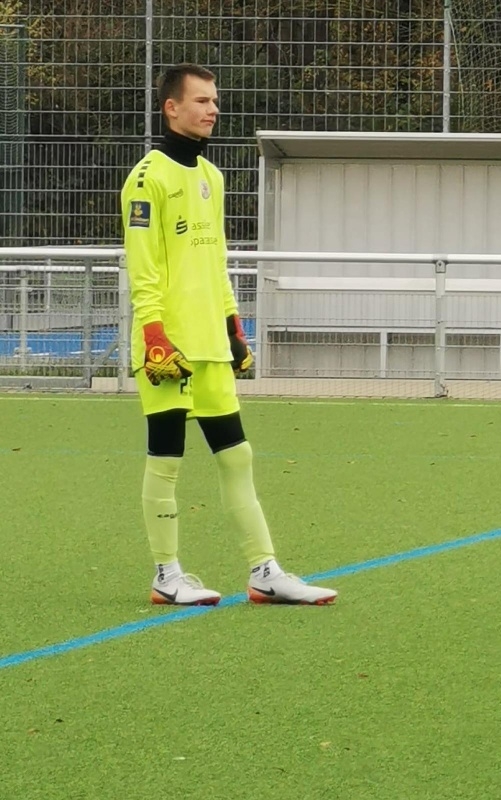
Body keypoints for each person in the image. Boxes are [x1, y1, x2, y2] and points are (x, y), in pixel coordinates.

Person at [120, 64, 337, 607]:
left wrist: (233, 326)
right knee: (166, 459)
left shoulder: (212, 177)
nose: (212, 109)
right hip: (167, 348)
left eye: (214, 100)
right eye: (201, 100)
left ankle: (264, 572)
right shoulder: (146, 179)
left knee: (237, 455)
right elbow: (143, 269)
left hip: (211, 347)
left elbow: (216, 261)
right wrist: (154, 335)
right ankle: (166, 574)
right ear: (171, 107)